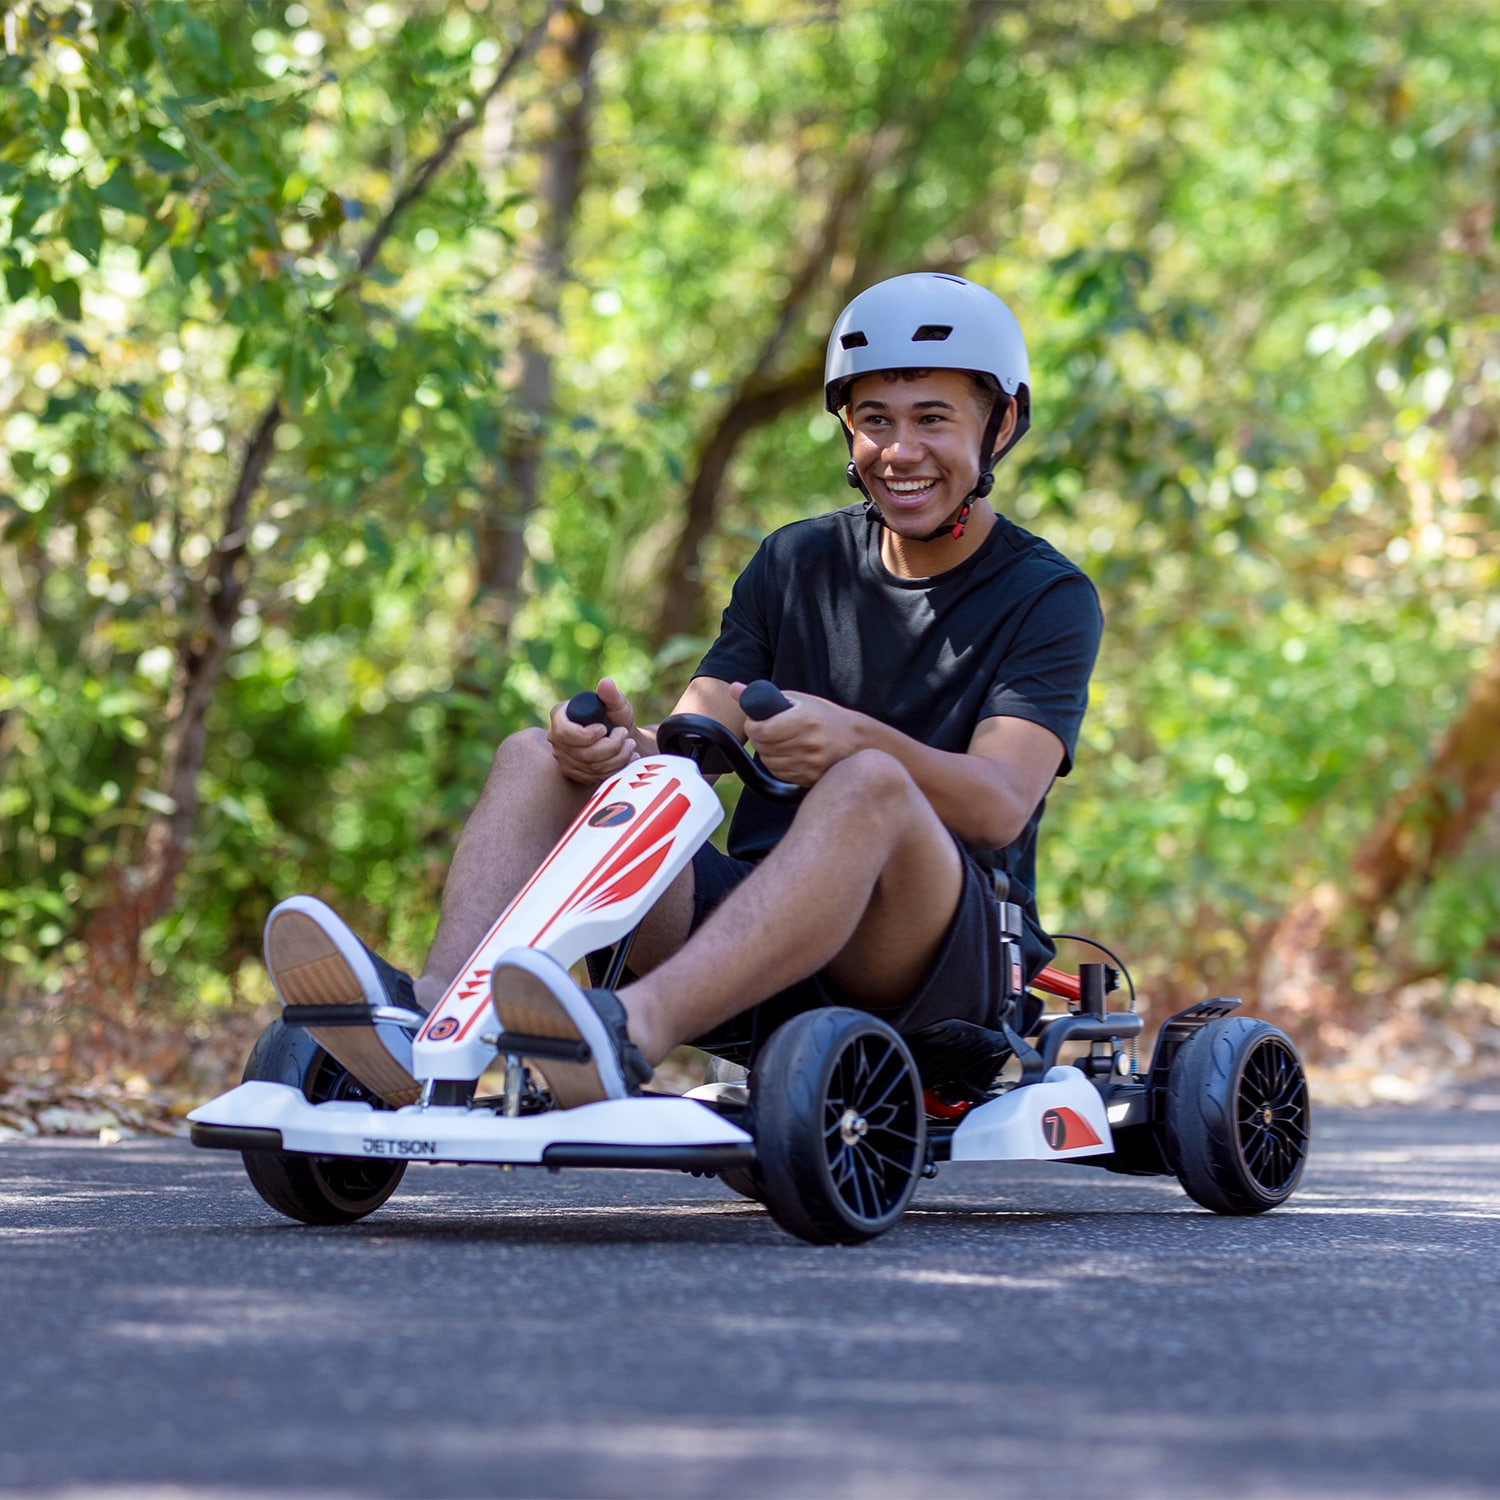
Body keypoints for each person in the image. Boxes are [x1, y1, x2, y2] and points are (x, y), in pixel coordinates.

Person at [263, 271, 1103, 1110]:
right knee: (537, 757)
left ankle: (623, 1033)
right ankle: (430, 1024)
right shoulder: (795, 564)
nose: (900, 451)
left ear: (1001, 425)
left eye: (933, 420)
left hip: (936, 966)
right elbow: (697, 739)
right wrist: (617, 754)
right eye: (874, 421)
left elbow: (999, 806)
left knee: (868, 785)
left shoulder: (1047, 597)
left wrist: (855, 741)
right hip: (754, 945)